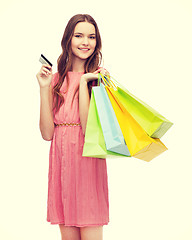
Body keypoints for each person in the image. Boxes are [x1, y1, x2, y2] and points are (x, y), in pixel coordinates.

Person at [36, 14, 109, 240]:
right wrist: (44, 88)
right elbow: (47, 133)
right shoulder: (55, 80)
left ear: (97, 43)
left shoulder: (99, 79)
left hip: (87, 164)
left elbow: (89, 131)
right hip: (62, 164)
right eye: (79, 35)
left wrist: (86, 82)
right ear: (68, 39)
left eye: (91, 37)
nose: (85, 42)